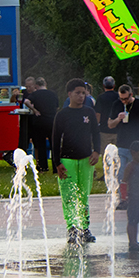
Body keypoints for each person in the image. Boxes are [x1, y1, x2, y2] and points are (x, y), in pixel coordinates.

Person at [53, 79, 101, 245]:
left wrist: (97, 151)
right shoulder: (62, 115)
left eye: (83, 93)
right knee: (69, 195)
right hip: (67, 160)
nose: (81, 96)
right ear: (70, 94)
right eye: (78, 93)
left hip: (86, 159)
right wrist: (57, 163)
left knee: (83, 195)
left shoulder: (89, 112)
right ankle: (72, 228)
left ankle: (85, 228)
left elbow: (96, 133)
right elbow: (55, 139)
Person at [108, 84, 139, 205]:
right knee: (121, 173)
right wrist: (118, 119)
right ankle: (123, 199)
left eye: (126, 98)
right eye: (121, 98)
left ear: (131, 95)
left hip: (137, 146)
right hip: (122, 144)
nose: (124, 101)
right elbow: (110, 124)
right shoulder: (116, 105)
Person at [25, 77, 58, 172]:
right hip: (51, 121)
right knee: (53, 144)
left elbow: (26, 101)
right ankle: (55, 167)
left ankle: (43, 167)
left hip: (39, 121)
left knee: (41, 145)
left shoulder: (35, 94)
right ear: (45, 84)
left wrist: (34, 110)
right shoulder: (53, 94)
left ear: (36, 85)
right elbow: (57, 107)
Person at [96, 76, 120, 150]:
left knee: (105, 153)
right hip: (118, 130)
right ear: (114, 85)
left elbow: (98, 114)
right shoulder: (119, 97)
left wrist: (96, 126)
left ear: (103, 86)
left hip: (104, 130)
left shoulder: (100, 98)